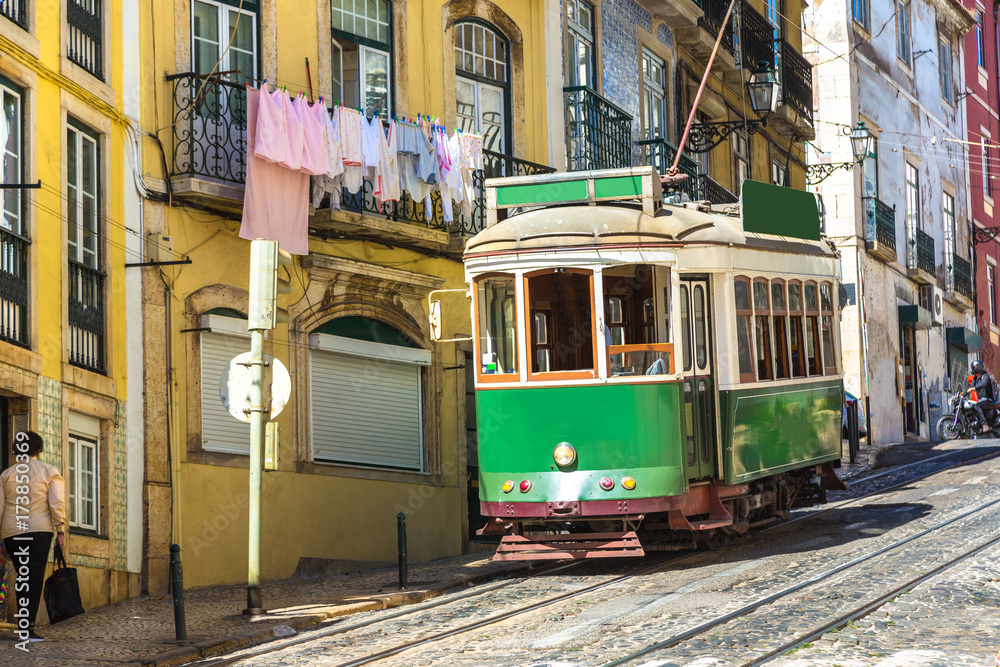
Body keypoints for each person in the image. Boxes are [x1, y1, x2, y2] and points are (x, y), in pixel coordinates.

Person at [0, 431, 67, 642]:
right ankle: (26, 629)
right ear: (39, 449)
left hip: (12, 532)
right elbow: (57, 502)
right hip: (39, 531)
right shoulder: (48, 471)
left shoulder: (6, 474)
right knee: (34, 578)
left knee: (22, 575)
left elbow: (0, 508)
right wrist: (61, 528)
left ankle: (24, 628)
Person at [967, 360, 999, 432]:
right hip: (981, 400)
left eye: (973, 367)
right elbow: (970, 386)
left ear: (977, 368)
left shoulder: (985, 376)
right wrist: (963, 392)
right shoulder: (975, 379)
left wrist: (974, 388)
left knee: (976, 405)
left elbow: (984, 384)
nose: (972, 369)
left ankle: (984, 425)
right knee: (972, 406)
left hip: (988, 399)